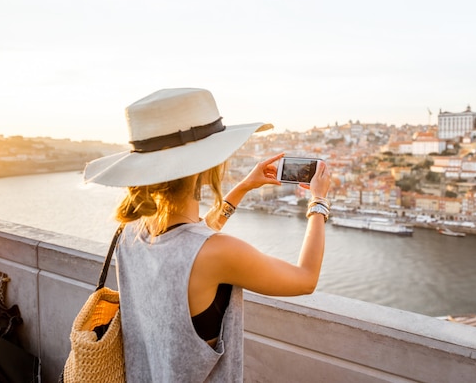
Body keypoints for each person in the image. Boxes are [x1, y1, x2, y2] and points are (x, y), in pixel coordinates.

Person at [83, 88, 332, 382]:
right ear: (208, 166)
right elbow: (305, 279)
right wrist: (319, 202)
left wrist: (241, 189)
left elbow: (188, 247)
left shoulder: (129, 233)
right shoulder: (218, 253)